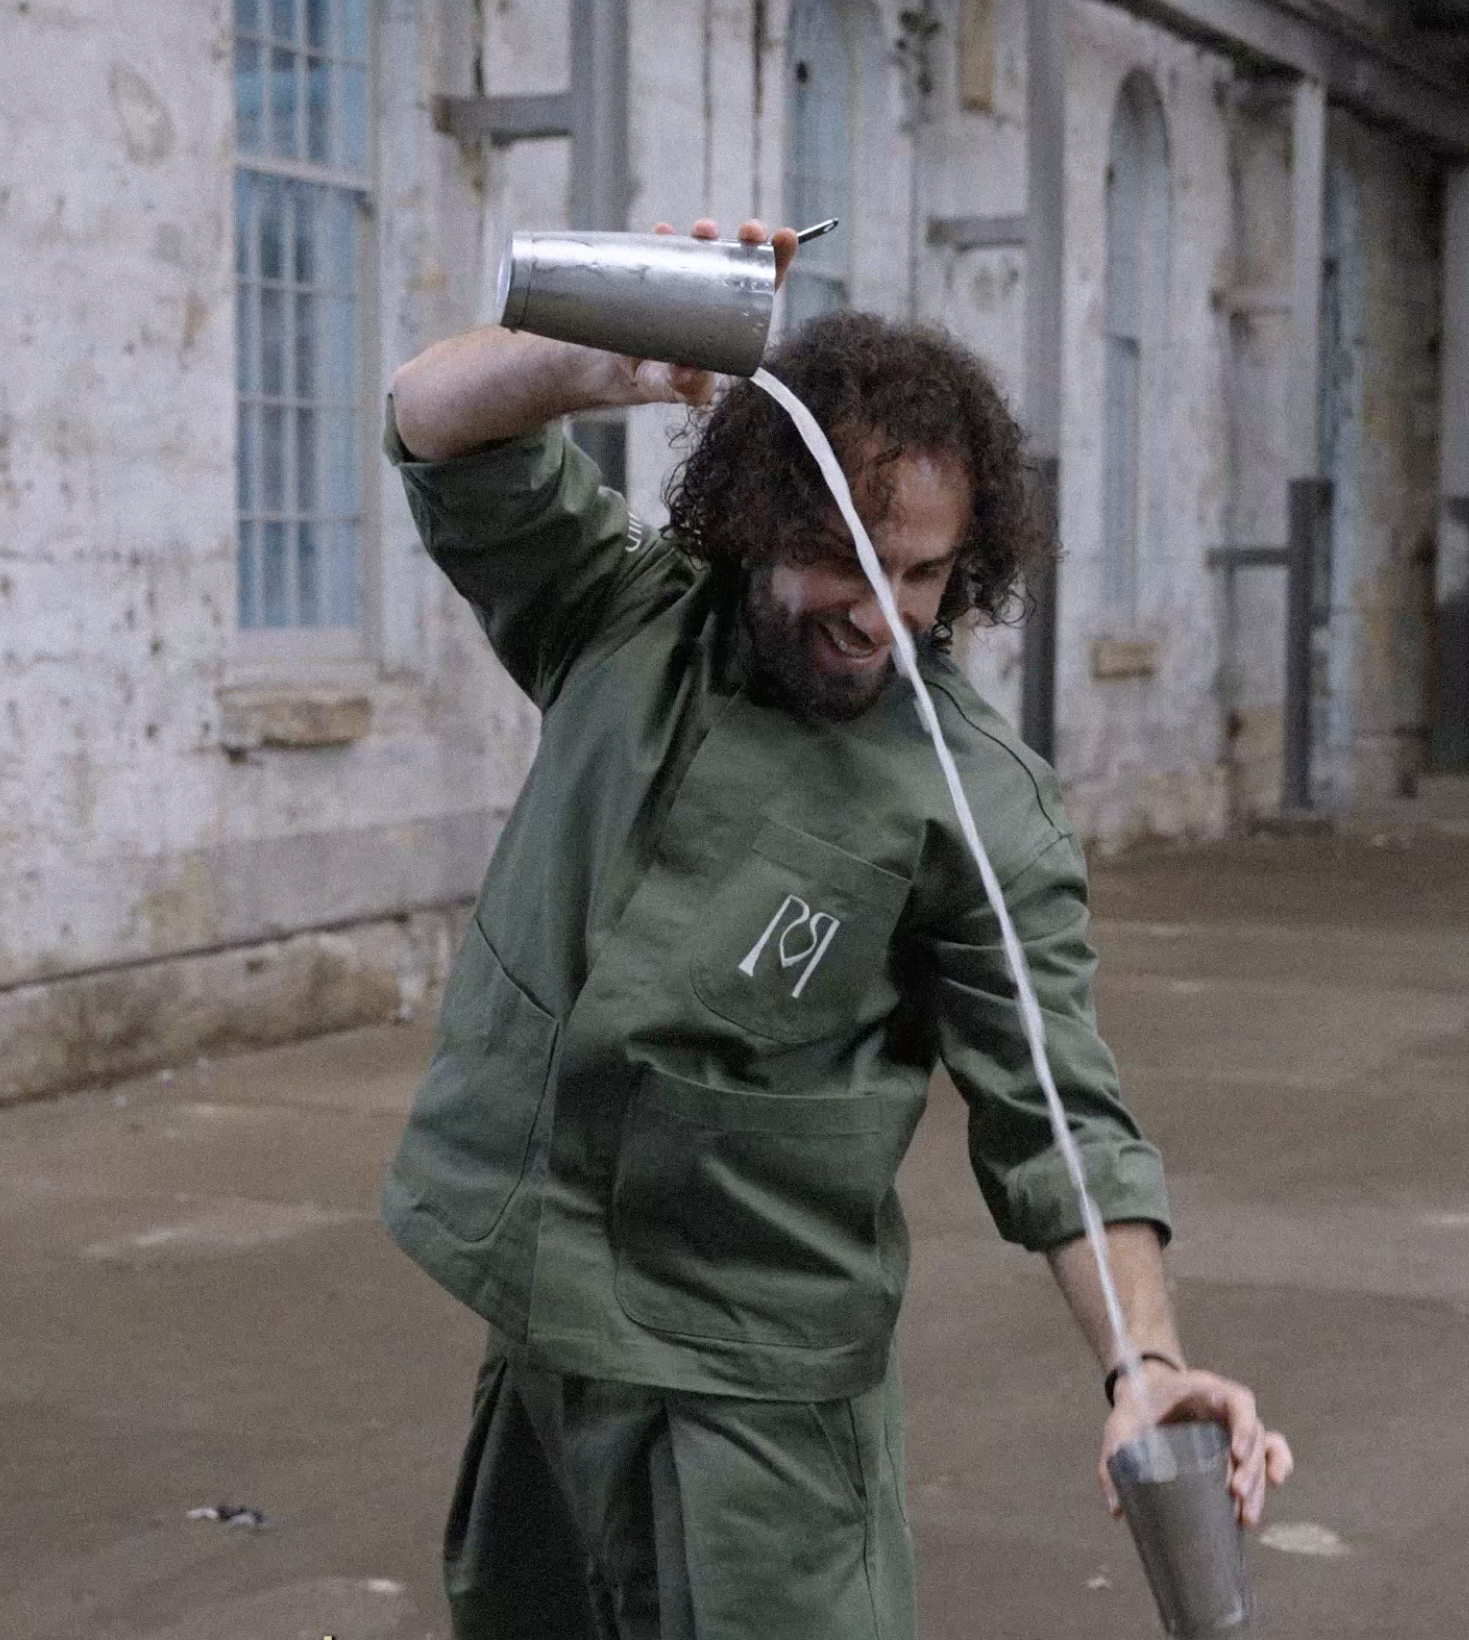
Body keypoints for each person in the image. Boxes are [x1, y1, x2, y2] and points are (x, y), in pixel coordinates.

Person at [380, 217, 1292, 1640]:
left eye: (920, 576)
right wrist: (587, 358)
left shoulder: (974, 803)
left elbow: (1058, 1114)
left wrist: (1142, 1359)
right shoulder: (621, 623)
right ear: (753, 520)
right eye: (832, 559)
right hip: (547, 1314)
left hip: (759, 1383)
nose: (875, 618)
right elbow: (436, 429)